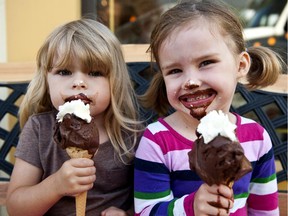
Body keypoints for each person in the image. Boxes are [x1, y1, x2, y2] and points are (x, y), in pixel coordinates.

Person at [134, 0, 284, 215]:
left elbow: (265, 211)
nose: (191, 81)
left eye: (206, 63)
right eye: (175, 70)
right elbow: (145, 211)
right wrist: (191, 207)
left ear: (240, 66)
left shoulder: (256, 138)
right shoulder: (157, 141)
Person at [6, 19, 143, 216]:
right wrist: (55, 185)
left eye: (95, 72)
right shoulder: (39, 130)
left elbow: (149, 201)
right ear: (46, 79)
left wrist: (127, 214)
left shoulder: (132, 137)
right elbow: (16, 208)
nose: (78, 82)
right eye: (64, 71)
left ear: (115, 81)